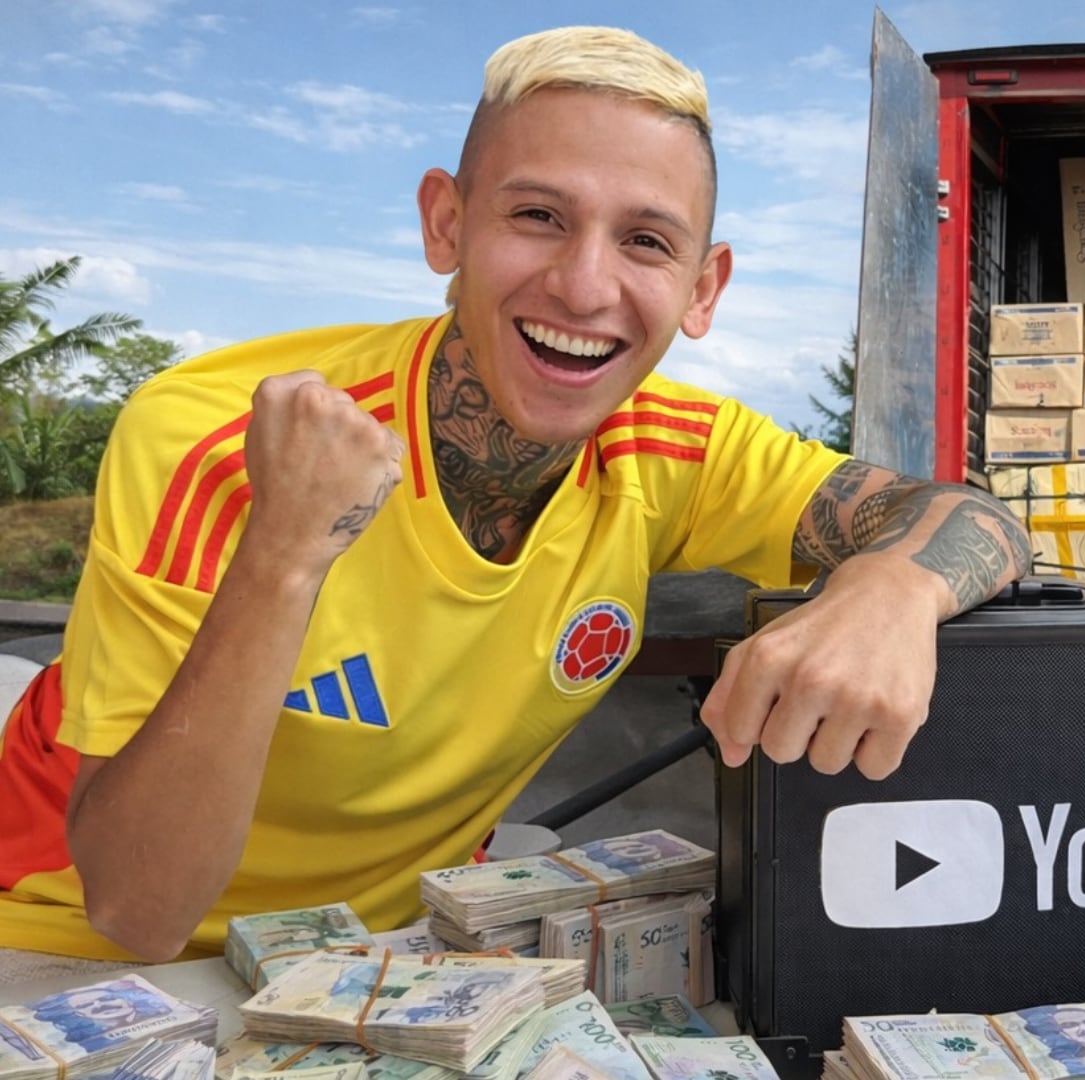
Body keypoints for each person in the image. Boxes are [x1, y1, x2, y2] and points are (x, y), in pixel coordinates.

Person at [0, 25, 1032, 971]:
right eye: (538, 217)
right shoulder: (213, 435)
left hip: (386, 957)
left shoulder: (676, 450)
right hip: (64, 947)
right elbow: (136, 908)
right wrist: (284, 552)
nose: (584, 286)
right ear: (446, 224)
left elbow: (971, 517)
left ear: (702, 288)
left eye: (646, 240)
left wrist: (890, 592)